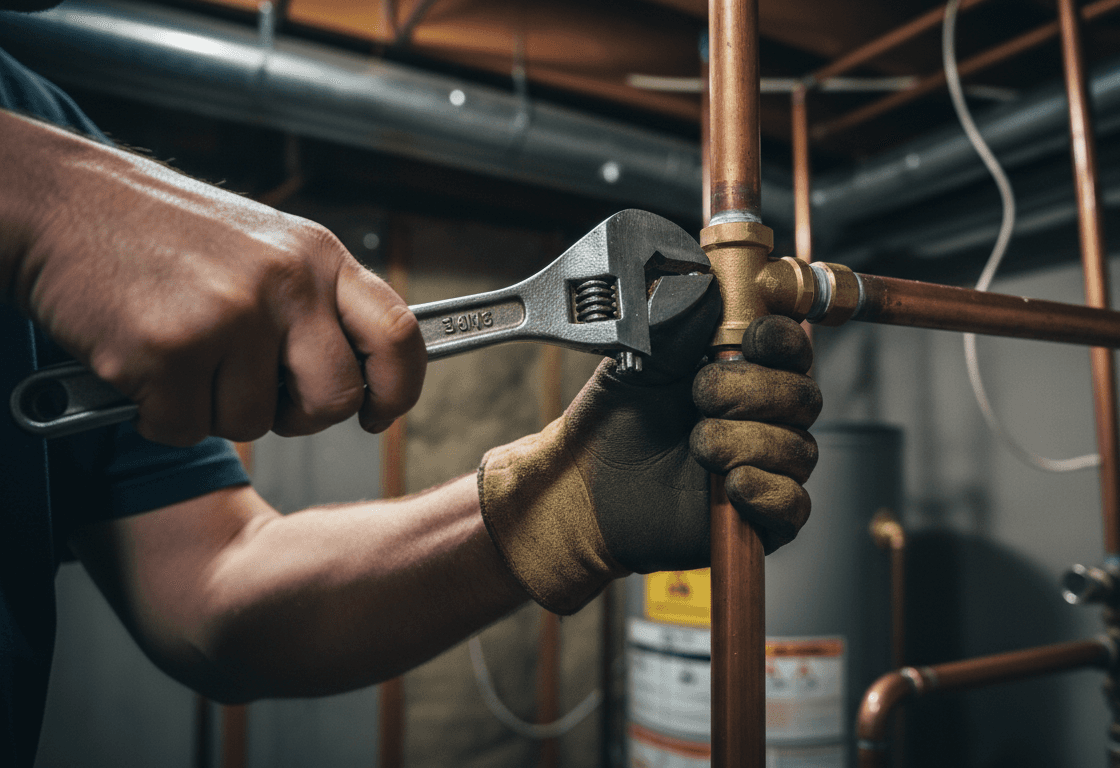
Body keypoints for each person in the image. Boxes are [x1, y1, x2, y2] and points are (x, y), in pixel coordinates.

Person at [0, 19, 821, 767]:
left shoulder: (41, 116)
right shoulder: (41, 145)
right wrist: (38, 192)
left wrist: (563, 501)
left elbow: (214, 595)